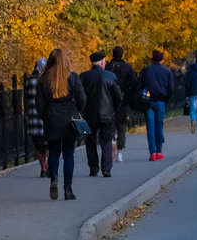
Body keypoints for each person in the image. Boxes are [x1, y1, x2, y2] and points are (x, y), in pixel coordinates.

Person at [36, 48, 87, 201]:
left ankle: (54, 180)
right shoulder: (72, 78)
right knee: (69, 154)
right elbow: (82, 98)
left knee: (53, 152)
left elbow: (38, 104)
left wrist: (46, 115)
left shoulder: (43, 79)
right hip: (69, 119)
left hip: (51, 118)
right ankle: (68, 189)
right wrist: (77, 111)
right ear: (65, 61)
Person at [80, 50, 123, 178]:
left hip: (89, 115)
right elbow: (118, 96)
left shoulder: (84, 76)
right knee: (106, 141)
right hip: (107, 113)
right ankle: (106, 169)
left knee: (91, 141)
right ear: (103, 62)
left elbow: (80, 96)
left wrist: (82, 110)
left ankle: (93, 168)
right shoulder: (110, 76)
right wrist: (113, 108)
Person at [138, 49, 174, 161]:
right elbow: (171, 88)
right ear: (162, 59)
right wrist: (166, 98)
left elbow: (139, 85)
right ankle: (159, 151)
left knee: (150, 127)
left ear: (152, 59)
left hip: (148, 102)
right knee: (159, 126)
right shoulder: (167, 72)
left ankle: (152, 153)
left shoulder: (146, 70)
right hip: (160, 102)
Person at [106, 46, 139, 162]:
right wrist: (129, 95)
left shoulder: (107, 67)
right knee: (121, 125)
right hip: (123, 100)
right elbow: (135, 83)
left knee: (110, 125)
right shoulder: (127, 67)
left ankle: (111, 146)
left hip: (108, 101)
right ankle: (119, 151)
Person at [24, 57, 48, 178]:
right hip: (46, 116)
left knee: (38, 145)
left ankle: (43, 168)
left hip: (33, 116)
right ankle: (48, 165)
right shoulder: (48, 81)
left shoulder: (30, 81)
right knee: (48, 143)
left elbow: (27, 99)